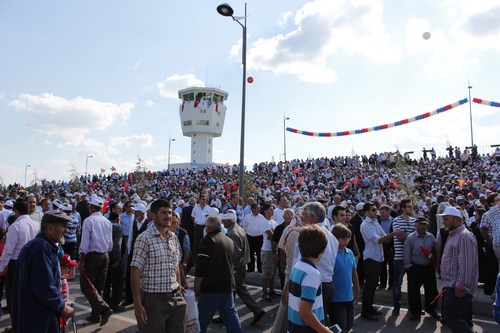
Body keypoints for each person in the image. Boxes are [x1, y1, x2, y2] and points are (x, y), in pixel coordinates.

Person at [11, 212, 74, 332]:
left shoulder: (42, 246)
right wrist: (61, 307)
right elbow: (44, 287)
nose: (66, 230)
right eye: (63, 226)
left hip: (36, 314)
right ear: (50, 228)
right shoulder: (41, 247)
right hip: (38, 317)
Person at [131, 199, 186, 333]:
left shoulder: (173, 238)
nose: (168, 216)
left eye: (169, 212)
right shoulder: (144, 238)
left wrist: (179, 290)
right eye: (163, 212)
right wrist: (138, 305)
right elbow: (135, 273)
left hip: (175, 297)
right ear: (153, 215)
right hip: (153, 299)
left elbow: (176, 267)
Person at [195, 214, 242, 333]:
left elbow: (201, 266)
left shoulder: (207, 240)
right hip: (227, 284)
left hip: (212, 286)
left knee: (202, 318)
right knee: (230, 315)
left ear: (209, 228)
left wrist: (197, 284)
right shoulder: (228, 240)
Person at [220, 210, 265, 324]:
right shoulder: (238, 229)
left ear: (229, 221)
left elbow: (236, 254)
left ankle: (256, 310)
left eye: (224, 220)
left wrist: (232, 270)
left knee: (235, 290)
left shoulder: (232, 233)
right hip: (241, 265)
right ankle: (225, 314)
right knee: (236, 290)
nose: (222, 222)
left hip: (236, 267)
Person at [360, 202, 403, 321]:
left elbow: (384, 236)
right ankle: (365, 311)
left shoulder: (375, 223)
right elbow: (379, 240)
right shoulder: (365, 225)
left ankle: (369, 307)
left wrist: (392, 236)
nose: (376, 212)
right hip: (371, 258)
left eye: (376, 210)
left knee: (373, 285)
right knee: (370, 285)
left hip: (378, 257)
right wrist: (394, 234)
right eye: (373, 210)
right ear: (366, 212)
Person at [439, 206, 478, 333]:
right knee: (453, 316)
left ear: (457, 220)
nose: (443, 221)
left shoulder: (464, 236)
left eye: (446, 219)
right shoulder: (454, 235)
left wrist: (461, 285)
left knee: (450, 316)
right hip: (452, 284)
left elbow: (467, 264)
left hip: (458, 285)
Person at [288, 224, 332, 333]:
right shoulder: (312, 274)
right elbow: (305, 313)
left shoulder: (298, 266)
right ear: (322, 250)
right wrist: (324, 330)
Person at [0, 199, 39, 317]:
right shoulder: (36, 225)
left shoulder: (15, 226)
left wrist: (1, 268)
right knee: (27, 294)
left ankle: (16, 324)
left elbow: (8, 251)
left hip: (16, 264)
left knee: (13, 295)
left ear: (16, 211)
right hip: (31, 262)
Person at [78, 196, 113, 325]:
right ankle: (96, 315)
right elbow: (110, 244)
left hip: (93, 256)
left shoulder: (89, 220)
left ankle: (103, 308)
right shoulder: (107, 221)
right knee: (99, 287)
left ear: (91, 207)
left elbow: (85, 243)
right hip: (105, 255)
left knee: (86, 285)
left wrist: (82, 261)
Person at [403, 217, 440, 321]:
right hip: (415, 267)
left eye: (424, 224)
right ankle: (416, 312)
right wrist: (409, 268)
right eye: (421, 224)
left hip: (428, 268)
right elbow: (406, 254)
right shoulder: (410, 238)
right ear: (416, 225)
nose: (423, 226)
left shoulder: (431, 236)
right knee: (414, 292)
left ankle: (431, 309)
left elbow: (435, 249)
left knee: (432, 290)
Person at [330, 223, 360, 332]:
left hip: (349, 296)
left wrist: (357, 290)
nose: (347, 240)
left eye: (348, 238)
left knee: (349, 325)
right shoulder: (331, 254)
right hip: (336, 298)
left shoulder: (350, 253)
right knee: (339, 327)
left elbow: (353, 272)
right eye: (343, 238)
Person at [391, 198, 416, 316]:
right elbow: (400, 237)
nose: (411, 208)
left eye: (412, 206)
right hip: (400, 257)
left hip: (412, 258)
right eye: (409, 206)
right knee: (397, 284)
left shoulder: (414, 221)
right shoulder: (396, 220)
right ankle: (397, 306)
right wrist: (411, 239)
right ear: (403, 208)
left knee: (413, 284)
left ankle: (413, 307)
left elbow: (415, 238)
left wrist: (408, 238)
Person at [103, 211, 124, 312]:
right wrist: (117, 260)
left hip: (104, 256)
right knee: (117, 283)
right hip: (113, 257)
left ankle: (105, 303)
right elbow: (117, 245)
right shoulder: (118, 228)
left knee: (106, 282)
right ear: (118, 218)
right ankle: (115, 304)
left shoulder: (104, 225)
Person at [242, 203, 264, 273]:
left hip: (259, 237)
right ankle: (250, 268)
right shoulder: (247, 217)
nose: (259, 209)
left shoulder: (262, 217)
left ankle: (260, 269)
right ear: (253, 209)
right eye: (257, 208)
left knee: (259, 254)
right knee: (250, 254)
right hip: (250, 237)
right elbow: (244, 228)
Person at [378, 205, 394, 290]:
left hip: (391, 246)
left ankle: (391, 284)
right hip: (381, 245)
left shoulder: (394, 221)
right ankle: (383, 283)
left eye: (383, 212)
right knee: (382, 265)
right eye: (380, 212)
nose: (381, 214)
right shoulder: (378, 221)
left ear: (388, 212)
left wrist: (389, 239)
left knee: (392, 266)